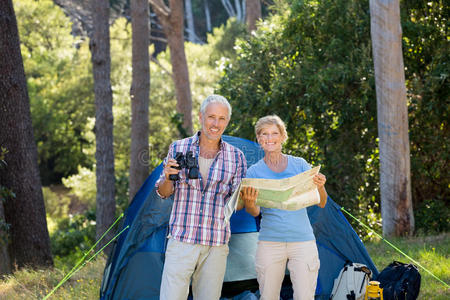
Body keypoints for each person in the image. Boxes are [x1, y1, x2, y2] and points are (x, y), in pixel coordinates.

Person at [156, 95, 247, 300]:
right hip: (182, 240)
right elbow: (163, 192)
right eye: (211, 117)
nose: (216, 124)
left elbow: (238, 205)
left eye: (222, 118)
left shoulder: (237, 157)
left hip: (216, 243)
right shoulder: (179, 148)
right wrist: (169, 177)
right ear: (201, 117)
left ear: (227, 122)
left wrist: (247, 198)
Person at [239, 115, 327, 300]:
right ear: (259, 139)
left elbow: (322, 202)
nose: (269, 138)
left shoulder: (300, 164)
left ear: (283, 137)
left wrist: (320, 185)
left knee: (305, 297)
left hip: (303, 241)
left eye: (274, 133)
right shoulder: (254, 172)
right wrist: (249, 202)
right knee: (268, 296)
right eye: (264, 134)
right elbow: (255, 212)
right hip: (270, 242)